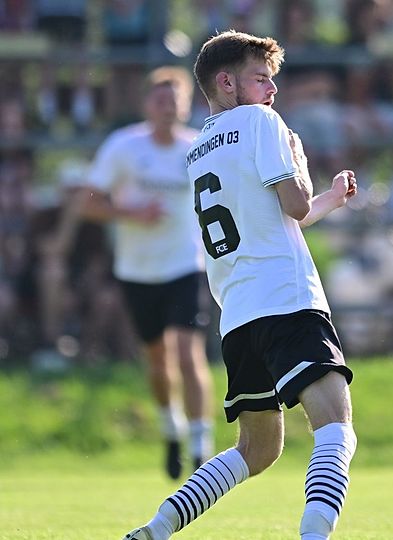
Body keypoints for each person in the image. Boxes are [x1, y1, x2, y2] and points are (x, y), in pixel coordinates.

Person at [123, 30, 359, 540]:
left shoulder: (197, 148)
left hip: (238, 315)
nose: (272, 89)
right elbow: (295, 202)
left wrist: (332, 199)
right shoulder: (261, 121)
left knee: (257, 449)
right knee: (337, 428)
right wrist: (299, 162)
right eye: (261, 78)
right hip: (287, 299)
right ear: (227, 82)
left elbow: (285, 216)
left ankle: (158, 527)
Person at [79, 66, 214, 479]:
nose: (167, 107)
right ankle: (171, 430)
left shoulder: (198, 147)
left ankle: (201, 445)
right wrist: (131, 213)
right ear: (146, 105)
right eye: (160, 99)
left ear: (186, 106)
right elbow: (88, 203)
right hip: (137, 270)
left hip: (185, 265)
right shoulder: (123, 146)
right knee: (158, 361)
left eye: (175, 100)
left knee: (189, 354)